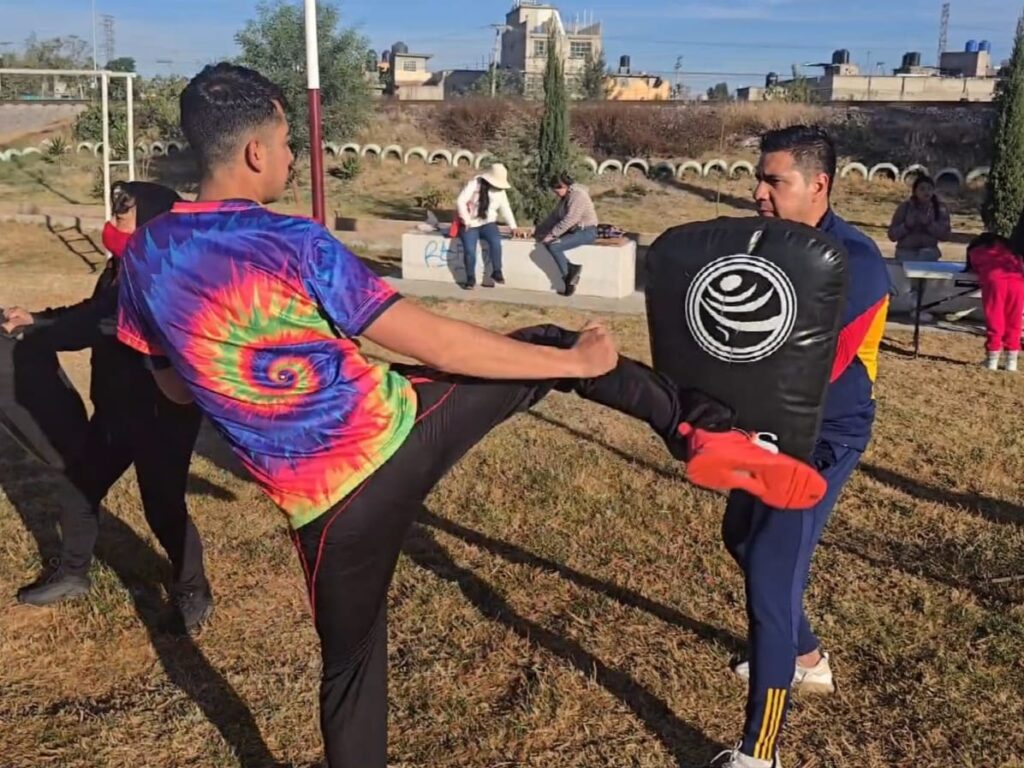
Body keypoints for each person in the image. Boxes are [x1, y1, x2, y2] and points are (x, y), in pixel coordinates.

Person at [115, 63, 827, 768]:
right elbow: (432, 341)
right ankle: (694, 427)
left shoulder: (144, 257)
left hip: (320, 514)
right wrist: (576, 363)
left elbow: (174, 390)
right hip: (394, 439)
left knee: (350, 672)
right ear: (254, 152)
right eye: (285, 143)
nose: (293, 158)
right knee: (548, 344)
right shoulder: (290, 241)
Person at [711, 126, 891, 768]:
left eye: (774, 181)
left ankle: (759, 753)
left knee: (769, 569)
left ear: (819, 185)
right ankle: (807, 658)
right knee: (740, 535)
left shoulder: (855, 263)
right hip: (763, 424)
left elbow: (811, 367)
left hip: (822, 436)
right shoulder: (765, 243)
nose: (758, 192)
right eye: (757, 179)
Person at [3, 181, 213, 633]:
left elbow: (93, 324)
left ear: (152, 221)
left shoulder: (159, 277)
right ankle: (72, 573)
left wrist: (40, 329)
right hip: (116, 411)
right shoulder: (119, 266)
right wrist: (37, 319)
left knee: (162, 507)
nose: (112, 219)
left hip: (161, 416)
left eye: (122, 212)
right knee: (78, 487)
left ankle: (193, 589)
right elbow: (91, 309)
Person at [531, 173, 599, 297]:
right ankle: (571, 270)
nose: (555, 193)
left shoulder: (578, 196)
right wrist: (538, 231)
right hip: (573, 231)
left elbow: (570, 219)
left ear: (563, 186)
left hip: (586, 231)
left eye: (556, 190)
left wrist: (552, 234)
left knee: (554, 246)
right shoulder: (565, 198)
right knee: (547, 243)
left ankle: (568, 281)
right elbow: (553, 217)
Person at [965, 232, 1024, 371]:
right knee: (1014, 321)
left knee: (995, 319)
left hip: (994, 282)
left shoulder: (977, 250)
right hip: (1018, 282)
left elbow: (973, 268)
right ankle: (1011, 362)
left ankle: (992, 359)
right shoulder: (1011, 250)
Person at [454, 162, 517, 290]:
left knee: (496, 242)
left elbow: (505, 208)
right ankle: (470, 278)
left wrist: (513, 226)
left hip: (488, 223)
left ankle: (497, 271)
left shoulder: (500, 191)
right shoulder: (474, 184)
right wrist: (466, 220)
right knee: (469, 250)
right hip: (471, 223)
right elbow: (460, 201)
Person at [888, 174, 951, 262]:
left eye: (929, 189)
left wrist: (929, 225)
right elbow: (892, 236)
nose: (926, 192)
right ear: (915, 191)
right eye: (922, 189)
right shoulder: (905, 207)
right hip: (906, 253)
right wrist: (906, 226)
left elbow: (946, 236)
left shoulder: (940, 208)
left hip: (929, 254)